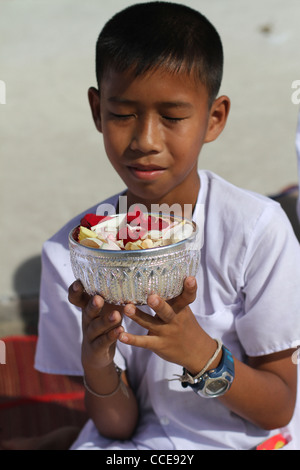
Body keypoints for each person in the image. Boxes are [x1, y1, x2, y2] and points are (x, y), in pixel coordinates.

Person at [21, 2, 300, 450]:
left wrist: (200, 354)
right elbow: (118, 427)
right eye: (123, 114)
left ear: (214, 118)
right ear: (97, 110)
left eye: (172, 117)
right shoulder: (70, 253)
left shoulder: (256, 231)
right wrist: (97, 360)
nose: (146, 141)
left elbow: (278, 406)